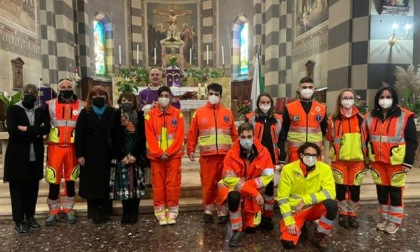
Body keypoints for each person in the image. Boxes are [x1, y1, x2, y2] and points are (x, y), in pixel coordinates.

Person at [365, 86, 418, 234]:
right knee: (381, 191)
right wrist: (366, 159)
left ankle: (394, 221)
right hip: (377, 161)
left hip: (397, 163)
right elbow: (366, 139)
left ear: (394, 98)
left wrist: (408, 161)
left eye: (388, 97)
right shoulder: (369, 116)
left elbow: (412, 141)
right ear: (377, 99)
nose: (385, 100)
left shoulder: (405, 116)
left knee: (395, 193)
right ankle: (384, 218)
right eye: (382, 97)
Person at [187, 83, 238, 224]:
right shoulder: (199, 112)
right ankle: (208, 210)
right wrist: (190, 149)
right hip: (207, 158)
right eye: (211, 93)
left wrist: (238, 152)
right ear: (207, 94)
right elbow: (192, 133)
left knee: (223, 184)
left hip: (225, 157)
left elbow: (234, 134)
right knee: (208, 185)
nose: (213, 96)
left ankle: (222, 210)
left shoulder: (227, 113)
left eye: (216, 94)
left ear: (221, 96)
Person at [216, 122, 274, 247]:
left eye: (249, 137)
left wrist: (250, 187)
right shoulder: (231, 155)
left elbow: (268, 176)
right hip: (235, 188)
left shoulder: (264, 153)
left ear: (254, 137)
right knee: (234, 197)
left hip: (252, 189)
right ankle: (236, 230)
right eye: (243, 137)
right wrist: (254, 192)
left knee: (251, 229)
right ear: (238, 137)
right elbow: (229, 180)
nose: (246, 140)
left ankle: (262, 216)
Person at [4, 84, 50, 234]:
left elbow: (45, 129)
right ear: (23, 94)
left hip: (34, 157)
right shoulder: (13, 110)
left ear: (37, 95)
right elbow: (13, 131)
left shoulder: (40, 111)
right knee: (18, 190)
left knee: (32, 189)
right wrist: (35, 132)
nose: (30, 95)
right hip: (17, 157)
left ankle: (30, 216)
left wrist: (26, 128)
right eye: (27, 93)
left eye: (33, 93)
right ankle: (19, 221)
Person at [277, 142, 337, 251]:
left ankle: (319, 235)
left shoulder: (325, 169)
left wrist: (306, 199)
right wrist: (289, 222)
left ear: (318, 157)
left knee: (331, 205)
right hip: (296, 211)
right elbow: (282, 198)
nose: (311, 158)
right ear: (301, 155)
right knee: (288, 243)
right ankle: (300, 226)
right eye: (307, 154)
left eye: (314, 155)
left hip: (314, 208)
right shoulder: (288, 169)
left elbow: (330, 192)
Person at [44, 79, 85, 226]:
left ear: (73, 88)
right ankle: (53, 212)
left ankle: (68, 210)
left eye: (69, 87)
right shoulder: (49, 104)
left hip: (73, 148)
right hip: (55, 148)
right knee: (53, 179)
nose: (66, 89)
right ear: (58, 88)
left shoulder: (82, 105)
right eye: (63, 87)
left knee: (71, 180)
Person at [326, 89, 367, 228]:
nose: (348, 100)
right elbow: (330, 138)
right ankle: (343, 215)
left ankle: (353, 215)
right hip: (339, 161)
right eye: (345, 97)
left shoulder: (362, 119)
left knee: (355, 190)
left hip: (358, 161)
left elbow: (366, 139)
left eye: (350, 97)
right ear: (340, 100)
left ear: (354, 100)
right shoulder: (333, 120)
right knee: (341, 189)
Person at [145, 86, 185, 225]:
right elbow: (149, 137)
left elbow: (179, 137)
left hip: (173, 157)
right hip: (156, 158)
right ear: (158, 97)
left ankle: (173, 212)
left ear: (170, 97)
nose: (164, 98)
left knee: (173, 184)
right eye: (161, 95)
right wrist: (158, 153)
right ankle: (160, 212)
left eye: (166, 95)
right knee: (158, 185)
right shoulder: (150, 115)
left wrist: (169, 152)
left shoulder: (178, 114)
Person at [75, 86, 115, 224]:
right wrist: (80, 154)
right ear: (90, 97)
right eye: (95, 95)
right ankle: (94, 213)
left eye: (101, 94)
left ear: (106, 96)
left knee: (106, 181)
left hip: (107, 149)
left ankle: (106, 212)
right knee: (92, 182)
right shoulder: (85, 112)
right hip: (90, 151)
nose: (98, 97)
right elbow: (79, 134)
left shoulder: (112, 111)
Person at [108, 92, 148, 225]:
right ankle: (126, 212)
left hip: (135, 156)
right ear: (120, 101)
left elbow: (143, 137)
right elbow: (112, 138)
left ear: (134, 102)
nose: (126, 102)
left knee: (136, 185)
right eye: (124, 100)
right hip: (122, 155)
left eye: (129, 100)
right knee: (124, 186)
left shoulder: (140, 116)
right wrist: (122, 156)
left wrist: (134, 155)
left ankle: (134, 211)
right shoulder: (115, 116)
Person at [245, 93, 282, 230]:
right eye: (262, 102)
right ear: (258, 103)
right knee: (255, 187)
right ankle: (256, 214)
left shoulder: (279, 119)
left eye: (267, 102)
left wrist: (281, 158)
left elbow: (281, 139)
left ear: (271, 103)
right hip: (255, 159)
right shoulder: (250, 118)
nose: (265, 104)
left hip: (271, 160)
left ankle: (268, 215)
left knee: (269, 189)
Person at [278, 77, 327, 165]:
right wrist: (282, 152)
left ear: (313, 89)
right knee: (295, 176)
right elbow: (284, 130)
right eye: (304, 87)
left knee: (314, 176)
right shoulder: (290, 107)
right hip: (295, 152)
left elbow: (323, 130)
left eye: (310, 87)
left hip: (314, 151)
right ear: (299, 89)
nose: (307, 89)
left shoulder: (321, 109)